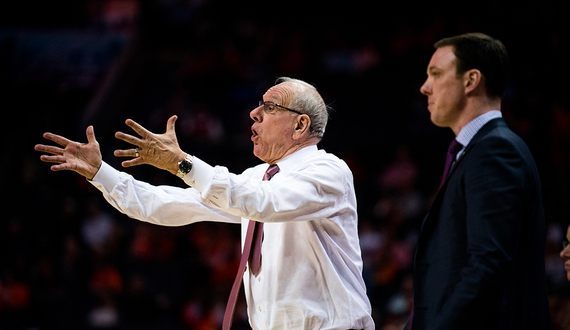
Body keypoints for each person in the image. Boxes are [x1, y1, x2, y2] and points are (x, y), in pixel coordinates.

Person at [35, 77, 375, 330]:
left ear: (301, 124)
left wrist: (182, 162)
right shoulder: (257, 176)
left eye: (270, 107)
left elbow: (265, 203)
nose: (255, 112)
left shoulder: (328, 171)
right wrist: (100, 172)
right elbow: (166, 204)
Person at [407, 33, 551, 329]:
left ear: (471, 80)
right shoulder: (481, 150)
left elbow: (488, 266)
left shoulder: (495, 151)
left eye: (435, 74)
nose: (425, 87)